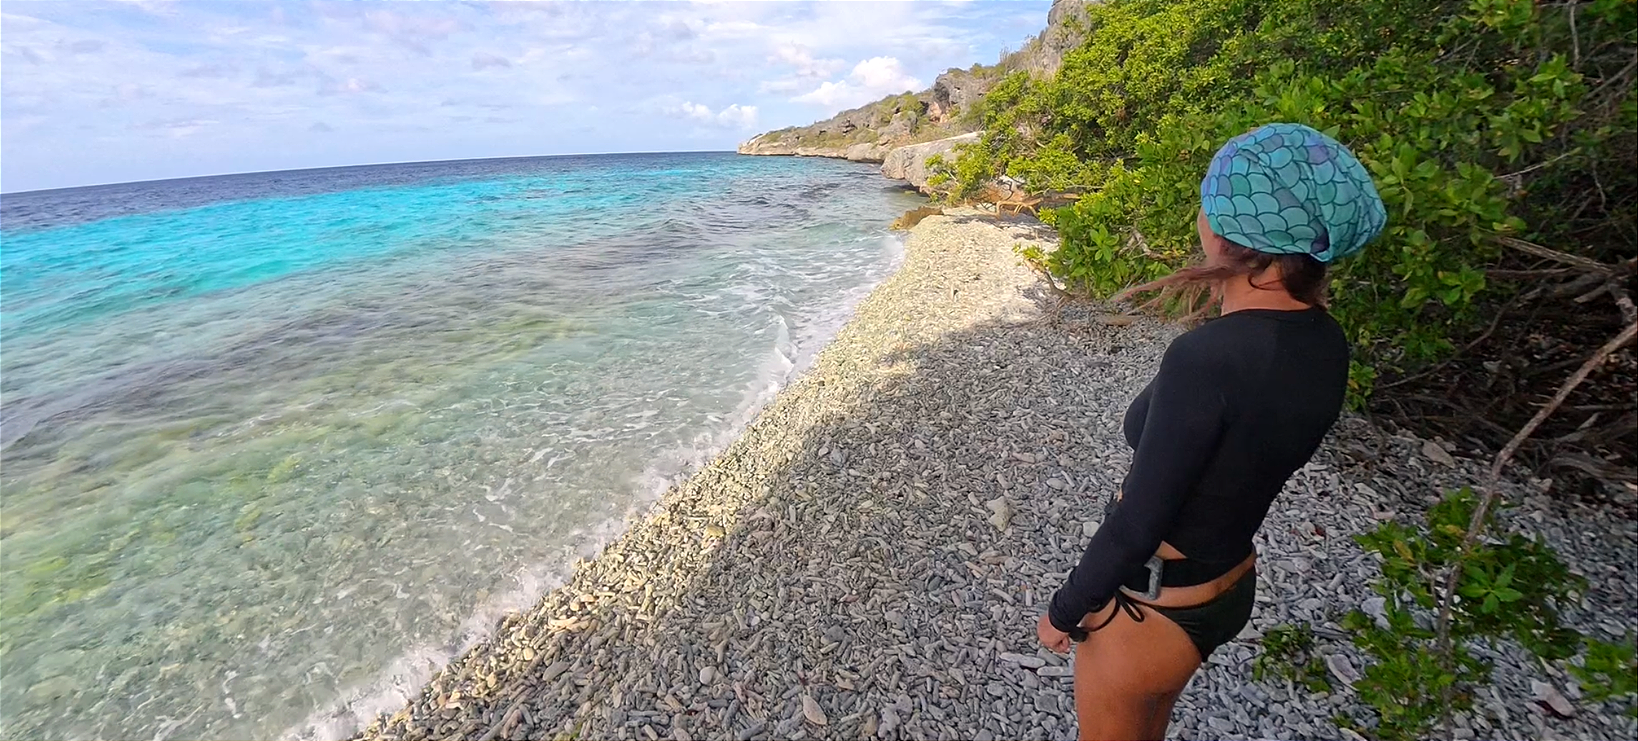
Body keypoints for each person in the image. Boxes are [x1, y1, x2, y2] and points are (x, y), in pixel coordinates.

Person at [1033, 123, 1388, 741]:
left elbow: (1139, 523)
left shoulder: (1209, 359)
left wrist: (1065, 609)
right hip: (1228, 583)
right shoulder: (1325, 341)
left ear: (1228, 233)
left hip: (1154, 607)